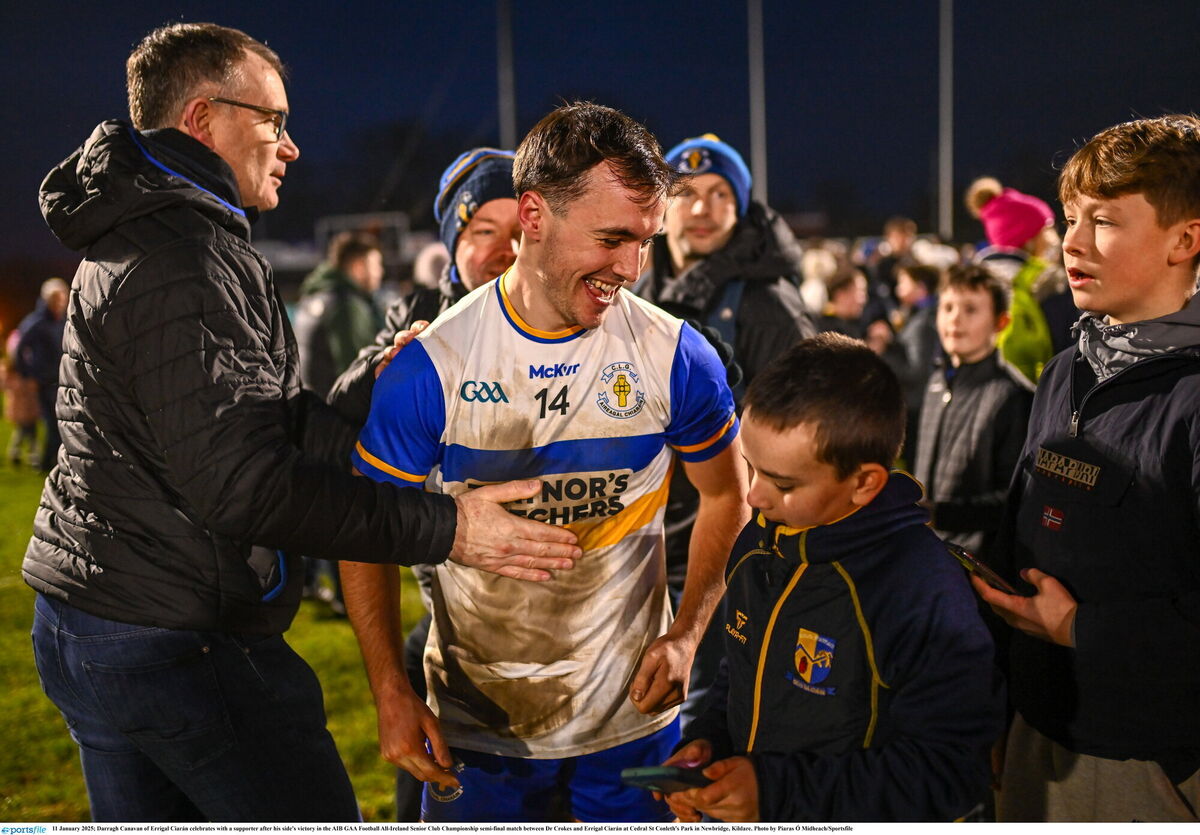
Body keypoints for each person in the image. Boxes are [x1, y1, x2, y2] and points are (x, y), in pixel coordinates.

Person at [25, 23, 577, 823]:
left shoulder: (166, 232)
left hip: (106, 614)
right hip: (179, 640)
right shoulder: (184, 257)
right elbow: (245, 487)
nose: (290, 146)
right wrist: (450, 528)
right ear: (202, 118)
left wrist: (357, 392)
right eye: (274, 120)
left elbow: (250, 424)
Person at [342, 102, 750, 823]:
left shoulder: (679, 355)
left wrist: (688, 631)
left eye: (647, 242)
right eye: (612, 238)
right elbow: (365, 532)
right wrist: (389, 688)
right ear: (534, 215)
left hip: (633, 722)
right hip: (478, 730)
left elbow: (728, 496)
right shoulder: (431, 366)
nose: (630, 268)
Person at [661, 333, 1005, 822]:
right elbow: (739, 672)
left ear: (864, 483)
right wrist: (710, 748)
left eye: (782, 483)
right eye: (750, 468)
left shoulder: (920, 590)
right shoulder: (761, 538)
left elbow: (949, 773)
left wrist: (776, 793)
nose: (754, 497)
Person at [976, 115, 1200, 822]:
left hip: (1144, 761)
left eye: (1103, 221)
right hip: (1034, 730)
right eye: (1072, 218)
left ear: (1186, 239)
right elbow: (1018, 536)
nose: (1071, 242)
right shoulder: (1066, 368)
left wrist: (1083, 629)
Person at [327, 146, 522, 821]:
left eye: (520, 230)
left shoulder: (590, 318)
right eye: (483, 232)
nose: (505, 250)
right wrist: (383, 364)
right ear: (452, 246)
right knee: (433, 764)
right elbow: (342, 426)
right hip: (449, 613)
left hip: (576, 636)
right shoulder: (422, 326)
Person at [632, 133, 815, 728]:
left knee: (701, 717)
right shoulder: (635, 286)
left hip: (730, 546)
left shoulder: (769, 305)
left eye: (720, 194)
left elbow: (808, 436)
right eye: (686, 194)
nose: (703, 208)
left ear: (742, 208)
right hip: (646, 539)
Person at [913, 264, 1033, 560]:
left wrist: (940, 515)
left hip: (978, 562)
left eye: (970, 309)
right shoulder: (937, 380)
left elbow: (1016, 496)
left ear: (1000, 322)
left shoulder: (1012, 395)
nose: (955, 319)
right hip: (928, 552)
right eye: (948, 307)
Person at [966, 176, 1074, 381]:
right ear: (1030, 238)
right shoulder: (1049, 282)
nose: (1053, 238)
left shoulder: (970, 279)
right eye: (1046, 230)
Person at [295, 231, 387, 399]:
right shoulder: (347, 307)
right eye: (376, 265)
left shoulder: (312, 297)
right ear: (358, 267)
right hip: (336, 412)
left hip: (313, 407)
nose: (380, 272)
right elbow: (357, 373)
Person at [14, 278, 68, 471]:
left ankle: (50, 462)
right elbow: (19, 348)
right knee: (53, 423)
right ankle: (48, 464)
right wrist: (27, 375)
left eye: (62, 299)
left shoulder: (63, 322)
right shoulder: (35, 322)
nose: (59, 304)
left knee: (61, 423)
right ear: (46, 300)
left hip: (61, 379)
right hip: (44, 381)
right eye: (55, 300)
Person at [4, 325, 41, 467]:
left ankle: (17, 453)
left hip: (28, 406)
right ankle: (30, 456)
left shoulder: (27, 371)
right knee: (27, 430)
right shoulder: (13, 371)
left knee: (25, 430)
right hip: (21, 407)